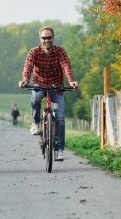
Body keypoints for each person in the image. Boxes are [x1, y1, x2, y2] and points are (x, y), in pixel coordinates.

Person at [18, 26, 79, 161]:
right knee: (37, 97)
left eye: (49, 37)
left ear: (53, 38)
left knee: (60, 118)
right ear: (40, 39)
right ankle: (35, 121)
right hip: (39, 84)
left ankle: (60, 149)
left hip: (56, 87)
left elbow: (65, 66)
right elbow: (27, 67)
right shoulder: (34, 52)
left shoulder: (60, 51)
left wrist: (71, 81)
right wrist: (24, 80)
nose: (47, 40)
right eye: (44, 38)